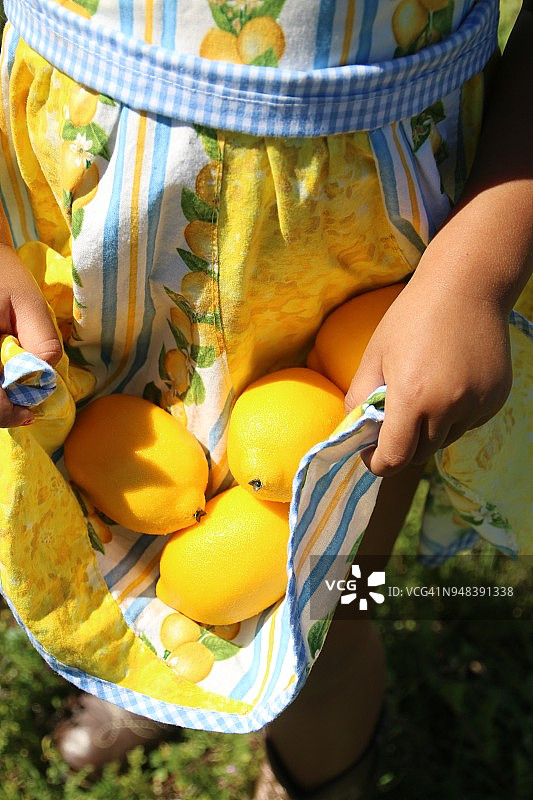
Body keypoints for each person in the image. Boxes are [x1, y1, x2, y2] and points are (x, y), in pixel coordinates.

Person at [0, 0, 531, 796]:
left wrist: (478, 271)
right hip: (79, 210)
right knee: (104, 550)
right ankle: (158, 676)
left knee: (331, 620)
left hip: (366, 242)